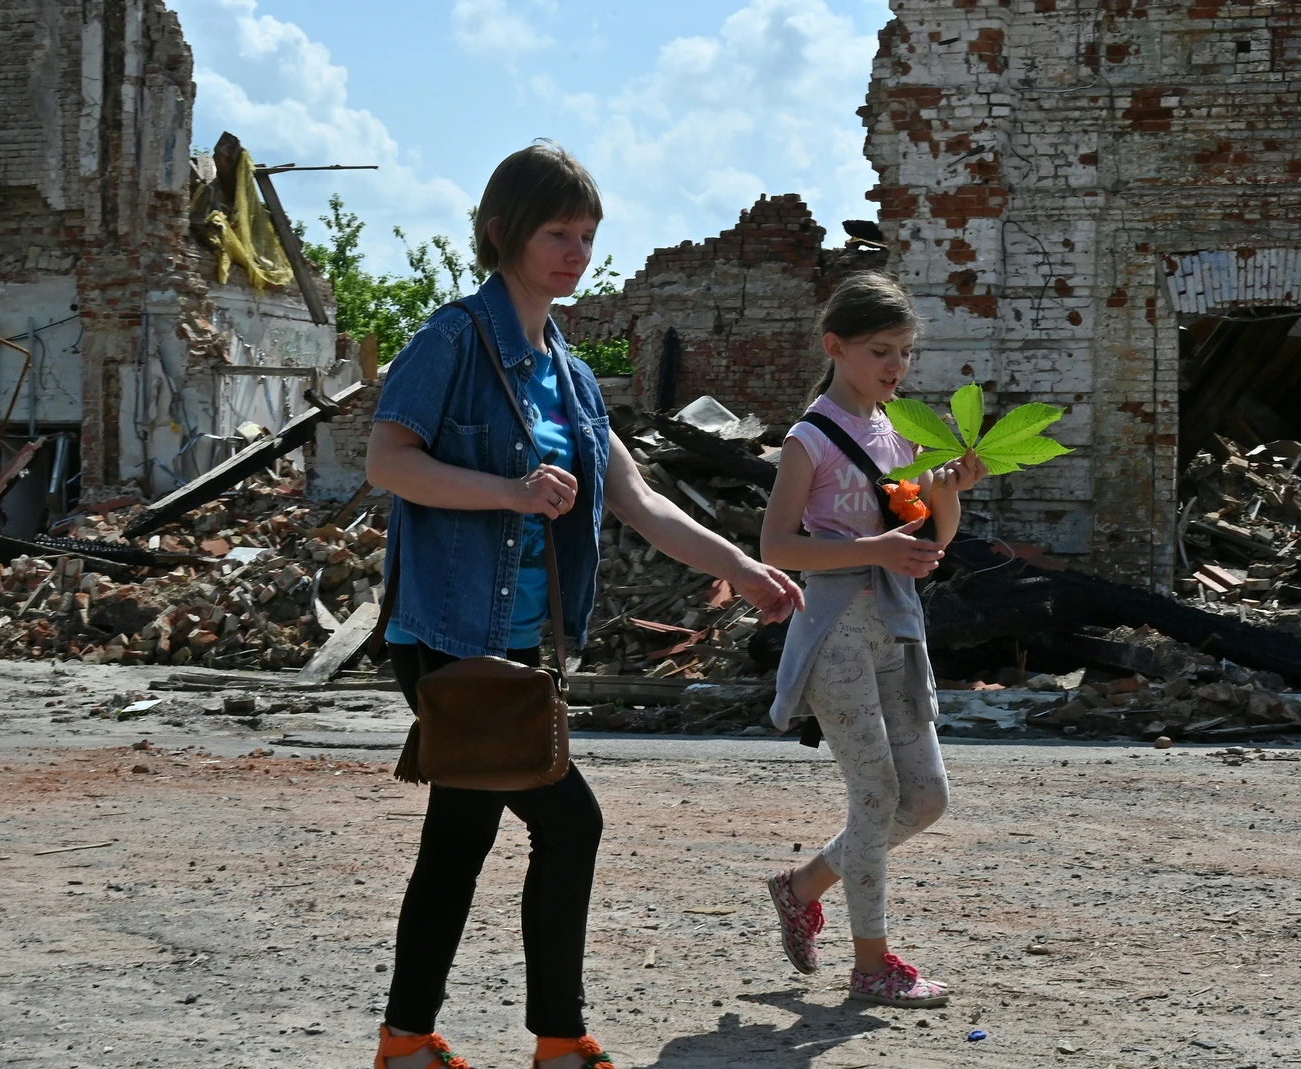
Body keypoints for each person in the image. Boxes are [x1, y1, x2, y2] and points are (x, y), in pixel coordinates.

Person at [362, 141, 803, 1069]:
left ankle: (409, 1040)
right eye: (559, 232)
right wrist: (512, 492)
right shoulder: (451, 340)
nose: (578, 251)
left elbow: (638, 501)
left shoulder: (567, 368)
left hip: (524, 643)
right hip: (448, 634)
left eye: (588, 234)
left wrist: (749, 568)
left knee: (463, 833)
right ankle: (557, 1040)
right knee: (570, 821)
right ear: (502, 233)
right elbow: (388, 462)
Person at [755, 272, 987, 1008]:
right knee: (877, 792)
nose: (896, 367)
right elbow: (776, 546)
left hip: (897, 625)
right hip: (834, 631)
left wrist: (948, 493)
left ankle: (802, 887)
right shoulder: (809, 438)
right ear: (837, 347)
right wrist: (876, 551)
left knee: (925, 797)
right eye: (881, 350)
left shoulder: (901, 431)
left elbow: (928, 541)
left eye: (906, 353)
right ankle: (872, 965)